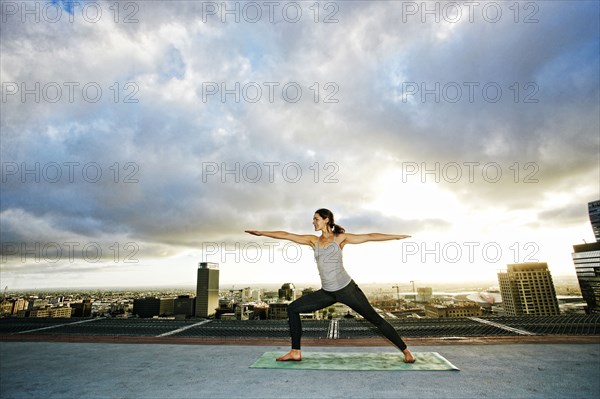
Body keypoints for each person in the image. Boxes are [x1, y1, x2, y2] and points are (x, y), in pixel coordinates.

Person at [245, 208, 416, 363]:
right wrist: (262, 233)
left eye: (316, 219)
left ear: (326, 219)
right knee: (293, 308)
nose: (313, 222)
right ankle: (295, 351)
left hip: (347, 290)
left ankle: (406, 351)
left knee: (375, 319)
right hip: (327, 292)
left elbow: (370, 237)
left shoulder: (340, 238)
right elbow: (287, 235)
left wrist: (396, 236)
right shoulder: (313, 241)